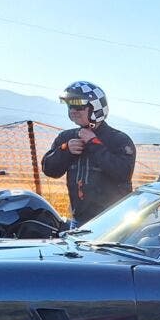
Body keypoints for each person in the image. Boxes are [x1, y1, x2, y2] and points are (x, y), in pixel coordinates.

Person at [40, 82, 136, 227]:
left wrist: (94, 143)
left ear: (95, 108)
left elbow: (123, 173)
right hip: (80, 221)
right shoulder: (66, 137)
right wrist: (65, 150)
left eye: (79, 105)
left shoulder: (119, 139)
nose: (73, 110)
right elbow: (49, 169)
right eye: (69, 105)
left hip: (115, 223)